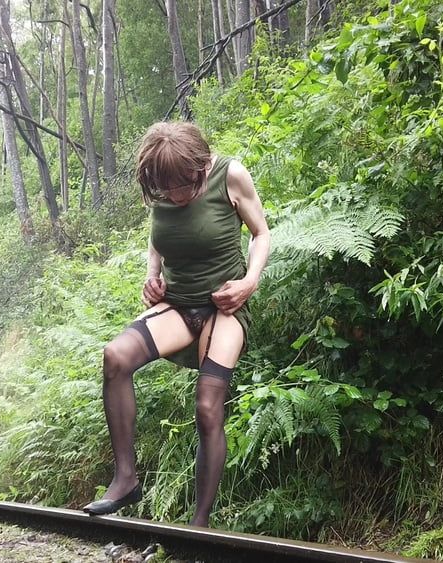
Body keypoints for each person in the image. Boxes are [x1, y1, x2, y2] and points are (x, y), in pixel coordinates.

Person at [82, 121, 271, 527]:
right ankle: (126, 479)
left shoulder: (229, 175)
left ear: (198, 166)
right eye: (166, 189)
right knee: (115, 357)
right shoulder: (162, 183)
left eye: (183, 186)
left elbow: (261, 233)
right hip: (178, 304)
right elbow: (158, 238)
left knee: (207, 406)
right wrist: (152, 275)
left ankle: (198, 524)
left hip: (224, 307)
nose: (176, 195)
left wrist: (248, 282)